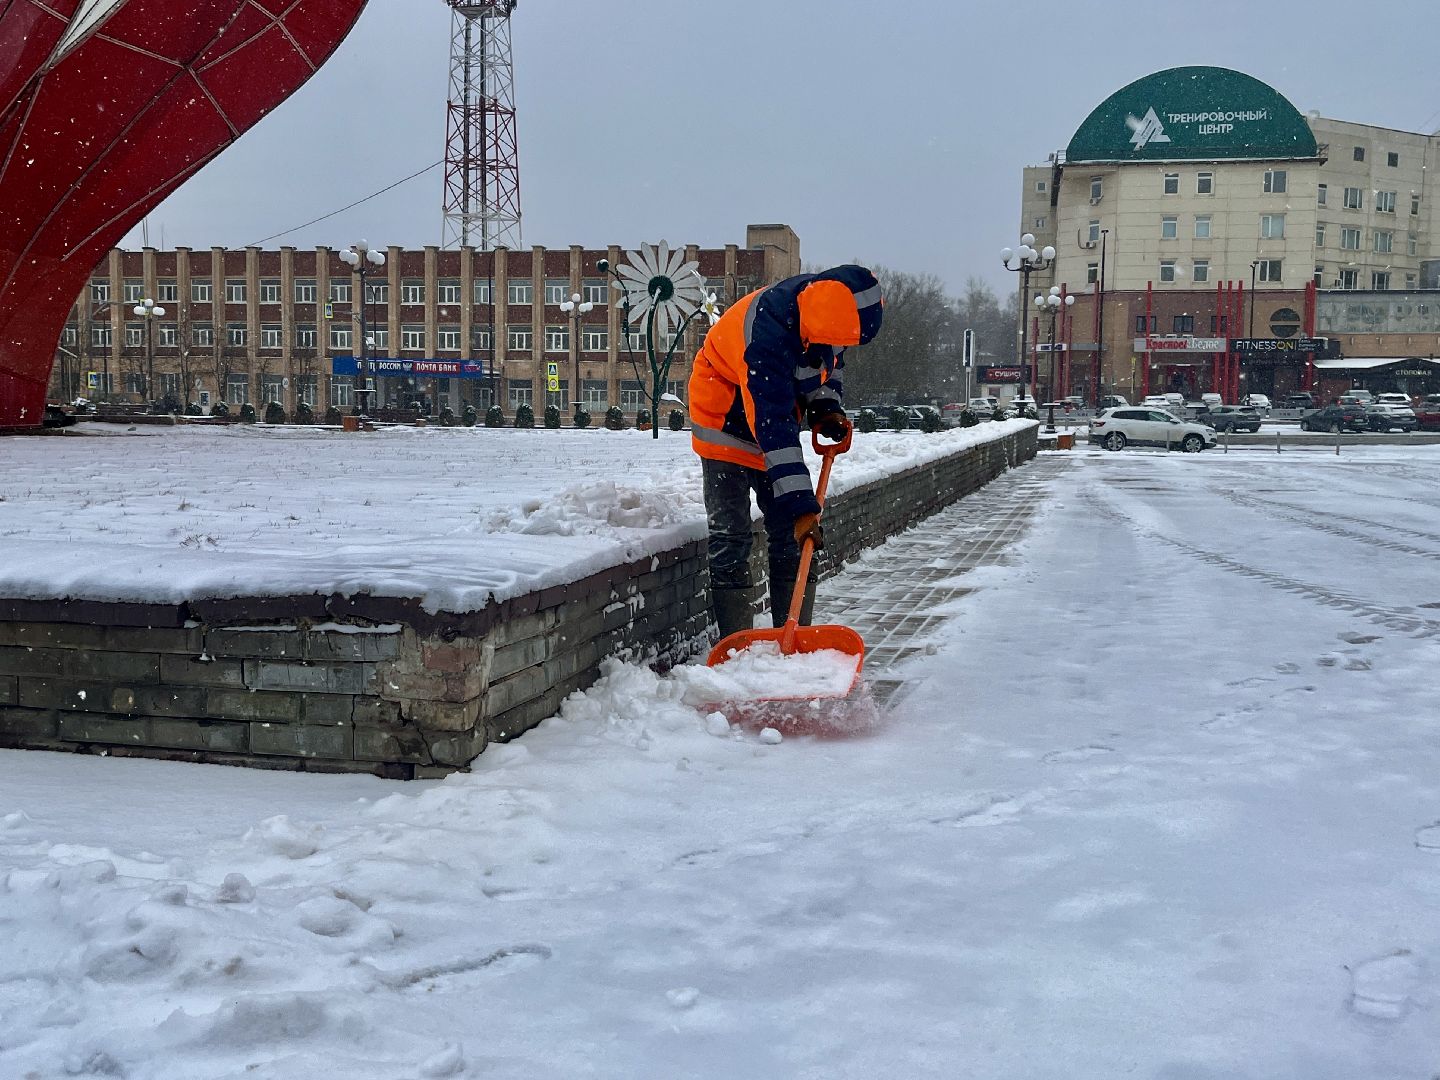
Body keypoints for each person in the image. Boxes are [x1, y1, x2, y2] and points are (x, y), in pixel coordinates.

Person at [688, 264, 883, 640]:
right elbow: (774, 426)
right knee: (732, 534)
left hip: (768, 414)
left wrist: (826, 407)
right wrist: (803, 507)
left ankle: (793, 636)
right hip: (723, 415)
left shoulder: (823, 317)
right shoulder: (767, 336)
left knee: (791, 537)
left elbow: (829, 367)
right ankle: (735, 642)